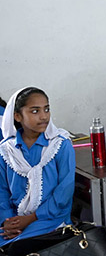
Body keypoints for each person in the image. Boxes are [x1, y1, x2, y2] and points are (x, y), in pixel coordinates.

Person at [0, 87, 75, 241]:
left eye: (46, 109)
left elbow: (64, 192)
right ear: (17, 116)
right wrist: (7, 221)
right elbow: (2, 190)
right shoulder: (6, 150)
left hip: (50, 217)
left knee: (17, 246)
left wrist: (31, 218)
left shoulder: (60, 145)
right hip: (15, 217)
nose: (43, 117)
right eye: (35, 111)